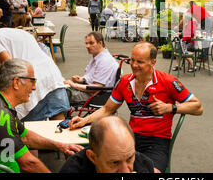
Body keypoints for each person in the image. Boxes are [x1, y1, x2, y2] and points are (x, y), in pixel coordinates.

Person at [69, 41, 203, 172]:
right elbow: (107, 109)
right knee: (83, 160)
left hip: (156, 142)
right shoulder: (125, 81)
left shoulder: (168, 81)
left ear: (153, 62)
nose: (134, 65)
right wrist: (83, 121)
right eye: (132, 60)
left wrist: (170, 108)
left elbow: (197, 107)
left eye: (140, 62)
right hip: (129, 138)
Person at [0, 58, 83, 173]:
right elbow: (29, 163)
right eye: (32, 81)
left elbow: (26, 137)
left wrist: (61, 146)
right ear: (16, 82)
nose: (34, 88)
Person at [0, 19, 70, 122]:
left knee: (29, 126)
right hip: (52, 75)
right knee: (58, 121)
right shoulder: (20, 32)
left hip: (31, 78)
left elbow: (9, 64)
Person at [59, 116, 157, 173]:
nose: (125, 171)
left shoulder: (144, 166)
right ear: (92, 157)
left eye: (130, 158)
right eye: (114, 163)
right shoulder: (72, 169)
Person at [65, 31, 119, 104]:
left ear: (100, 43)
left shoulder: (105, 60)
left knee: (61, 95)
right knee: (60, 89)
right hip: (90, 90)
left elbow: (96, 88)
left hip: (96, 95)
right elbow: (92, 76)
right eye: (86, 43)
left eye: (91, 43)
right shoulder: (97, 56)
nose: (87, 46)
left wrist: (74, 85)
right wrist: (81, 79)